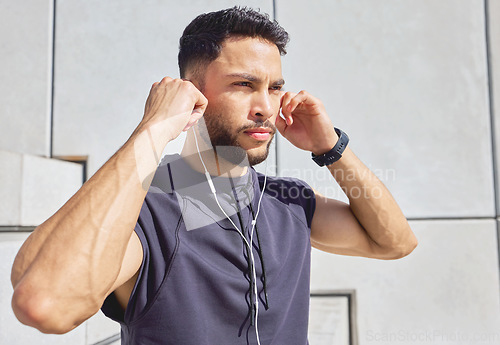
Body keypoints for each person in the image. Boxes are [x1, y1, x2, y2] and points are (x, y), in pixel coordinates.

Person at [10, 6, 418, 345]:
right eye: (244, 84)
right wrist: (153, 129)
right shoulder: (148, 211)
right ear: (192, 92)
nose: (265, 107)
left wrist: (331, 148)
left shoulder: (287, 202)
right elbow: (45, 304)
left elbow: (395, 242)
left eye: (274, 88)